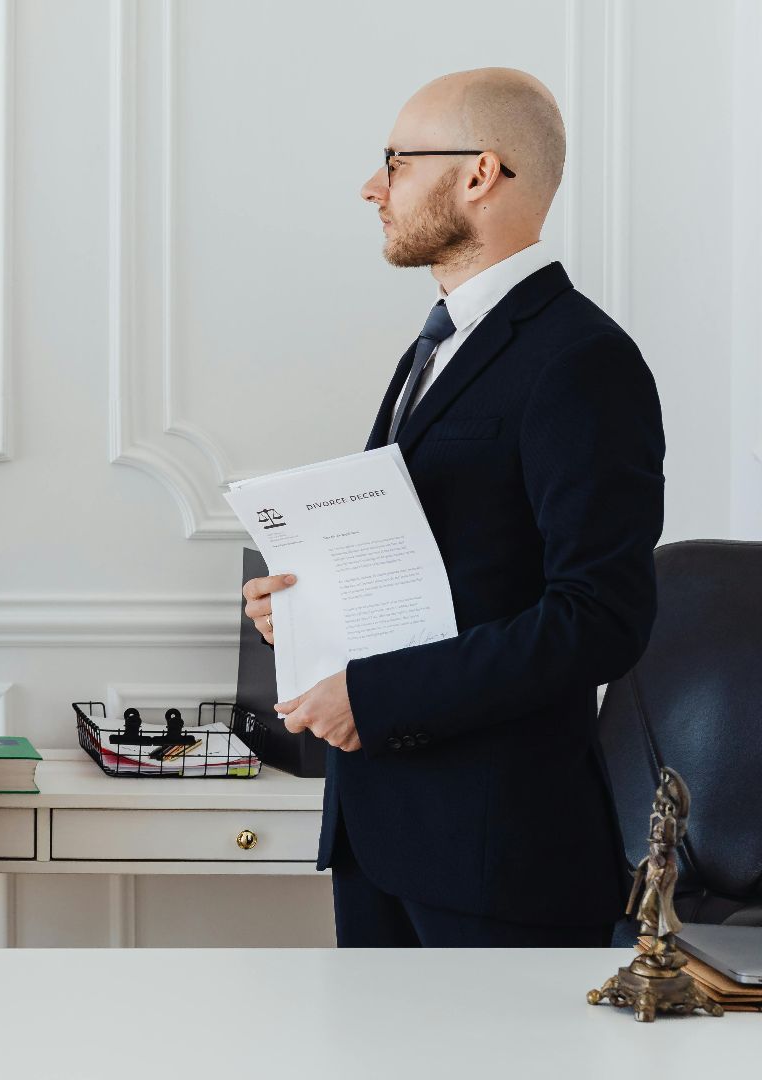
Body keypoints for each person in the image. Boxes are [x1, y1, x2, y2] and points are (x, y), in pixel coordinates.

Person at [241, 67, 664, 947]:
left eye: (394, 161)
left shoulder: (583, 360)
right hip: (380, 834)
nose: (371, 186)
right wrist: (310, 605)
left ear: (480, 173)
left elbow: (601, 618)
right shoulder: (438, 342)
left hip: (496, 853)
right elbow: (455, 569)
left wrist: (377, 694)